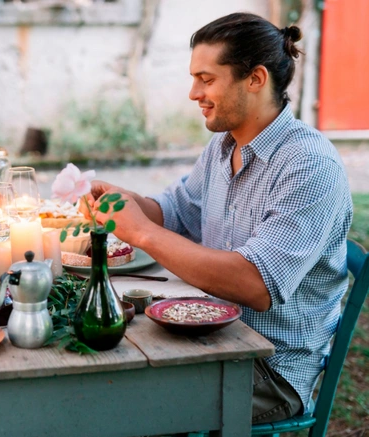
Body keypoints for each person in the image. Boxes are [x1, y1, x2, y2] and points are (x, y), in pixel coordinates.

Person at [83, 13, 352, 424]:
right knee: (95, 369)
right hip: (208, 332)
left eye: (206, 79)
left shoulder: (310, 165)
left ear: (256, 79)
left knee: (113, 403)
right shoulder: (225, 146)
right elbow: (174, 212)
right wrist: (128, 202)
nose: (194, 93)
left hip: (267, 369)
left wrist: (143, 233)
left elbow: (255, 283)